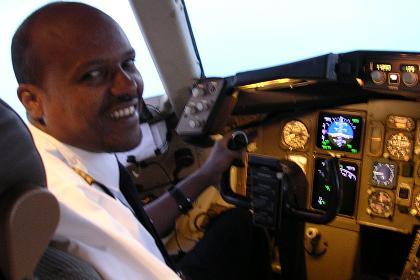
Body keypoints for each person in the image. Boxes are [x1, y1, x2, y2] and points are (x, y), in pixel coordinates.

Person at [11, 2, 271, 280]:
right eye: (93, 75)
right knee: (246, 230)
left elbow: (129, 227)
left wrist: (207, 174)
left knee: (237, 225)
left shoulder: (66, 149)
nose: (128, 86)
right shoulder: (69, 200)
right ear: (33, 100)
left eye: (128, 63)